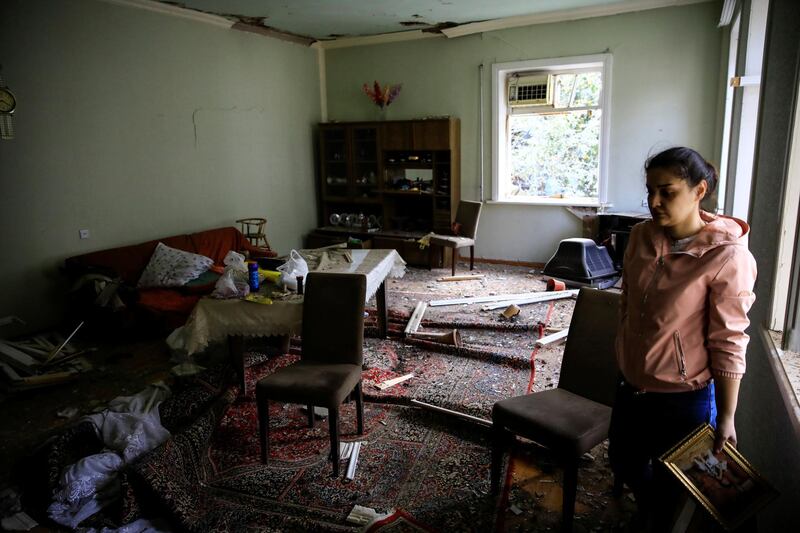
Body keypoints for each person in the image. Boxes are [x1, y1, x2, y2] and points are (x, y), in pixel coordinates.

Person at [609, 146, 757, 528]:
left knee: (672, 485)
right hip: (630, 387)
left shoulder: (727, 256)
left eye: (667, 191)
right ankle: (647, 513)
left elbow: (728, 340)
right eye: (650, 191)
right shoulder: (641, 236)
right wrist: (625, 350)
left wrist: (726, 415)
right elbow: (627, 297)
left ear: (699, 190)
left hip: (681, 399)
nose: (654, 202)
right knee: (623, 461)